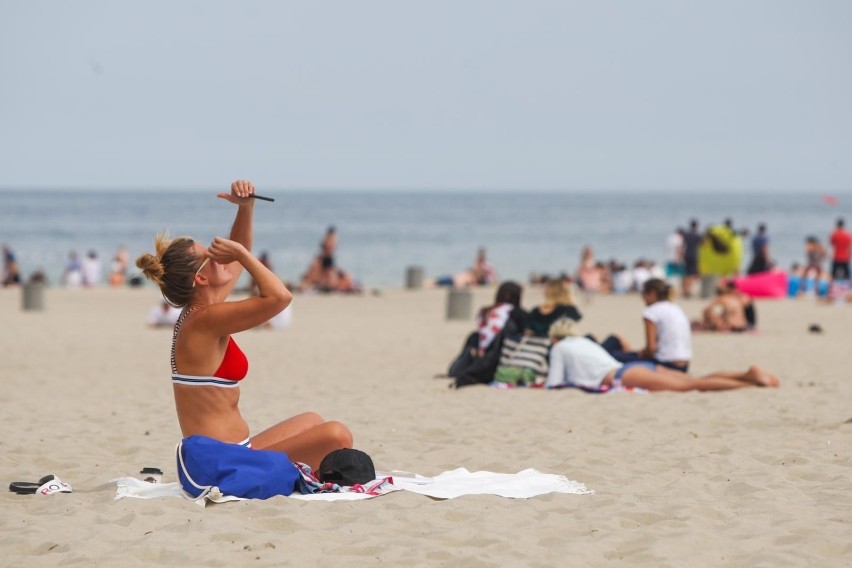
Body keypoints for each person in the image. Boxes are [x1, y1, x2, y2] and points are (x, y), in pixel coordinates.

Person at [135, 180, 352, 469]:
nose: (221, 255)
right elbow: (280, 297)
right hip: (222, 465)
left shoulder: (204, 308)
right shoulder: (205, 320)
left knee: (313, 420)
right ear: (200, 279)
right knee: (338, 435)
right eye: (211, 256)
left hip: (237, 451)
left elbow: (240, 250)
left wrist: (246, 208)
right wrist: (242, 255)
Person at [545, 318, 779, 392]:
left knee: (691, 386)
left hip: (623, 374)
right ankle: (746, 375)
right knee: (691, 379)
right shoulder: (583, 342)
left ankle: (751, 385)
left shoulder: (558, 347)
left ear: (555, 337)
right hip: (638, 365)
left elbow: (552, 384)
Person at [681, 220, 702, 297]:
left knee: (686, 273)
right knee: (691, 274)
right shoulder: (697, 236)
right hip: (694, 255)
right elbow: (703, 245)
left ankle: (684, 290)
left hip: (686, 255)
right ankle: (688, 290)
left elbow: (683, 246)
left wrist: (681, 254)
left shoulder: (686, 235)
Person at [829, 218, 851, 282]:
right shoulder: (847, 235)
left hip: (836, 257)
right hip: (845, 257)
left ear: (837, 225)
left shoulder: (834, 234)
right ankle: (847, 288)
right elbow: (849, 246)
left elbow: (832, 244)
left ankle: (832, 287)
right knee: (846, 275)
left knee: (833, 275)